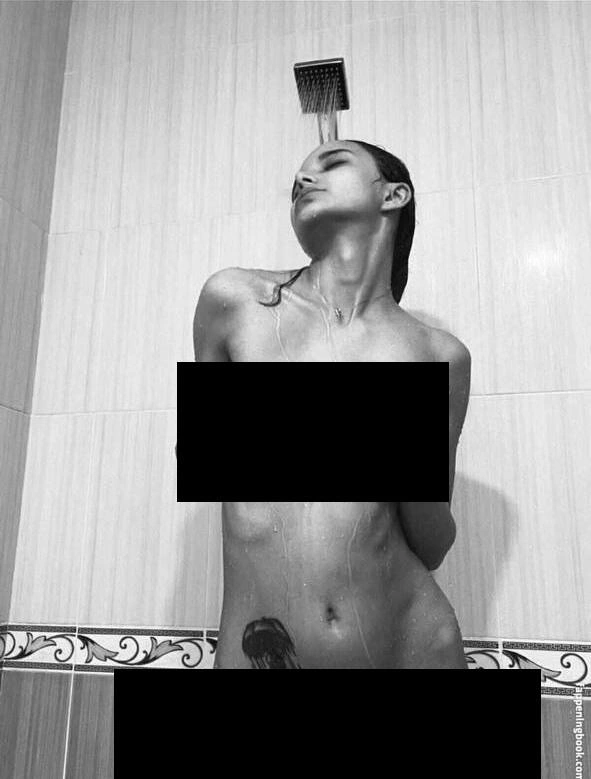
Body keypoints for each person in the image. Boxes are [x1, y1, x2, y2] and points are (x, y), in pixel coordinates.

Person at [192, 139, 471, 668]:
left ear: (393, 195)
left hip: (411, 646)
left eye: (334, 162)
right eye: (297, 176)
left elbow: (433, 544)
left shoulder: (438, 355)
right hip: (263, 651)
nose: (303, 178)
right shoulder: (235, 303)